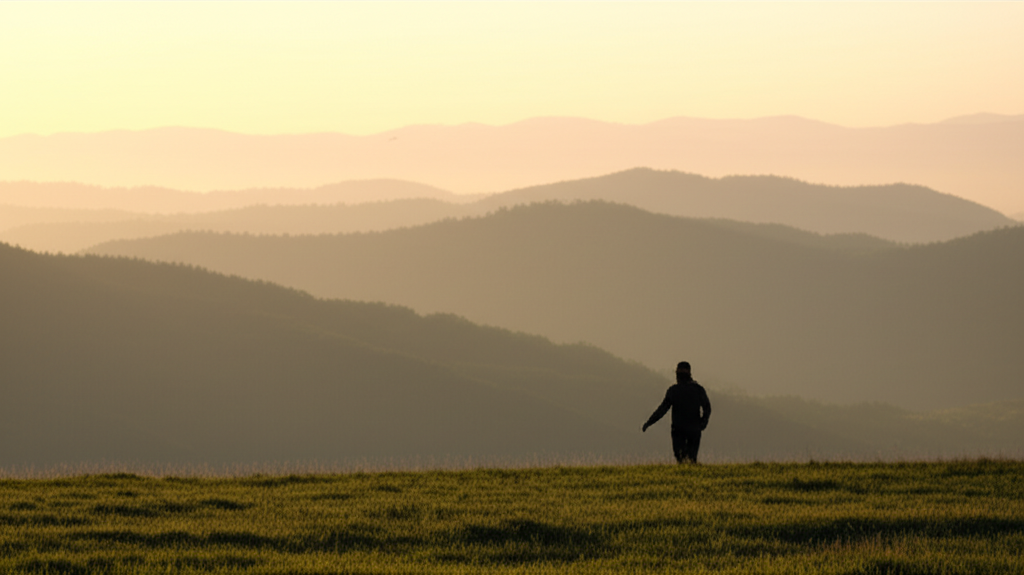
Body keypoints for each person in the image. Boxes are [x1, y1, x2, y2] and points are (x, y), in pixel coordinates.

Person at [642, 361, 712, 463]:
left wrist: (649, 422)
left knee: (681, 458)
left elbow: (662, 410)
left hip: (679, 430)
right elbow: (707, 408)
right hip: (694, 429)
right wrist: (702, 423)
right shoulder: (698, 390)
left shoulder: (674, 391)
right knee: (691, 459)